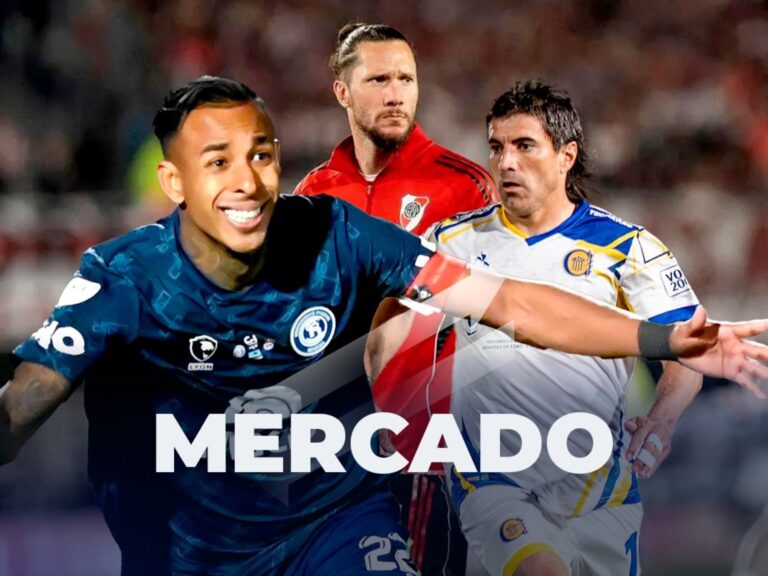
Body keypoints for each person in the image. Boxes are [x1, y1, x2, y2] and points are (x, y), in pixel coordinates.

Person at [1, 76, 766, 576]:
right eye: (217, 160)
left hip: (396, 513)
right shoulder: (124, 276)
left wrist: (663, 363)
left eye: (260, 155)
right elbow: (28, 398)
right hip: (217, 542)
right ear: (172, 181)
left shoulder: (347, 238)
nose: (245, 181)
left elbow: (526, 308)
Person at [397, 80, 726, 575]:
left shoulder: (627, 248)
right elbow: (394, 330)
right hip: (493, 483)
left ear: (565, 156)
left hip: (601, 495)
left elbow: (691, 350)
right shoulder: (451, 241)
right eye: (497, 147)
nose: (506, 162)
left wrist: (661, 421)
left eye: (524, 146)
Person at [294, 23, 496, 575]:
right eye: (379, 79)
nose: (395, 94)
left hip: (427, 455)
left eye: (406, 79)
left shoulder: (465, 187)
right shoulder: (313, 195)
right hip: (338, 456)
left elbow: (496, 316)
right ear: (342, 91)